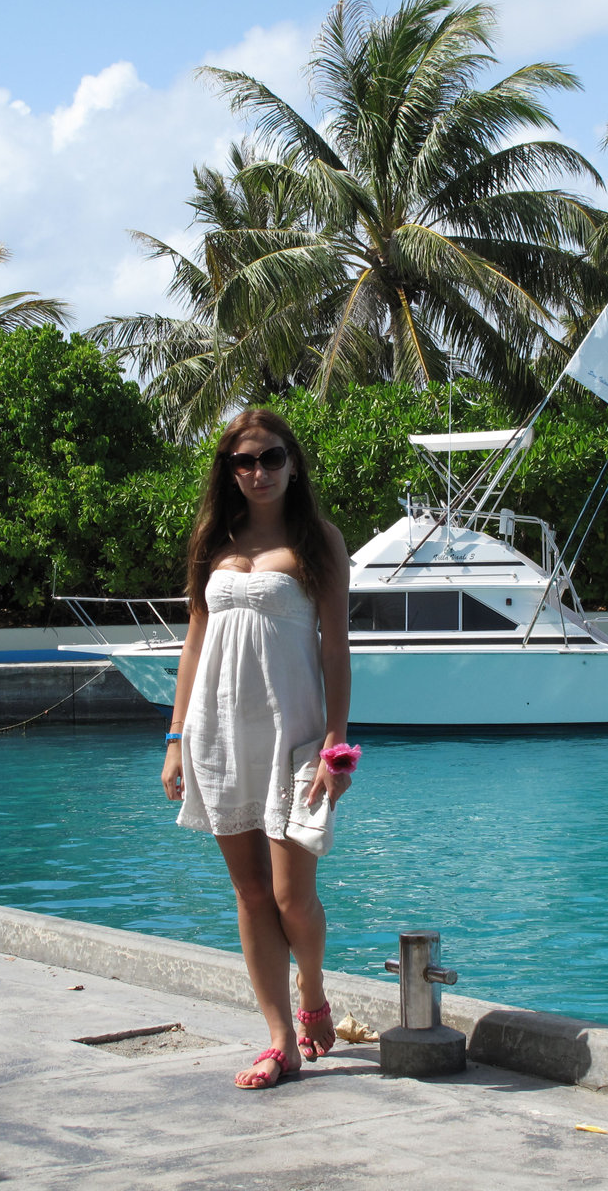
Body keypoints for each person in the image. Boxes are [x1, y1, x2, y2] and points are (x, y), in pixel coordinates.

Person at [160, 409, 354, 1090]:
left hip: (294, 737)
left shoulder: (318, 540)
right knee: (249, 893)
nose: (259, 471)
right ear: (229, 471)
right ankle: (279, 1041)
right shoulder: (213, 540)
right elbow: (194, 643)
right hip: (218, 737)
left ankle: (312, 988)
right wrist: (176, 738)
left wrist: (336, 739)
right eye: (244, 461)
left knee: (291, 896)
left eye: (271, 457)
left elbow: (335, 647)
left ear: (292, 463)